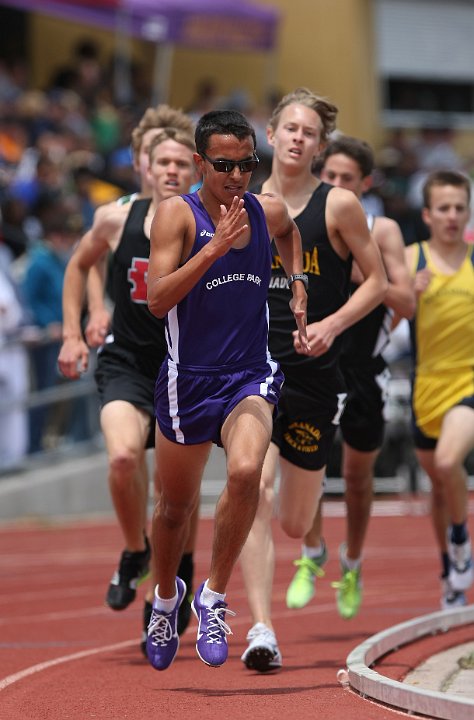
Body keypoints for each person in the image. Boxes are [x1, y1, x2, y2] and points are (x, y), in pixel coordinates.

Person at [144, 108, 309, 672]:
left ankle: (213, 595)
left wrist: (299, 283)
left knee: (246, 474)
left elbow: (290, 234)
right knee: (173, 508)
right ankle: (167, 599)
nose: (237, 176)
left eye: (246, 165)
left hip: (247, 374)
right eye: (223, 165)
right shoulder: (176, 215)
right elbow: (158, 300)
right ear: (199, 162)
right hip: (188, 381)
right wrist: (214, 248)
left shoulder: (268, 210)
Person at [238, 88, 388, 673]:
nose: (299, 138)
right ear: (271, 135)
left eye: (310, 132)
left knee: (296, 519)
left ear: (320, 145)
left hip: (316, 373)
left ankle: (315, 547)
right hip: (252, 366)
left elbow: (374, 282)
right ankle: (262, 627)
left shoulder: (338, 206)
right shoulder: (242, 205)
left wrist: (331, 324)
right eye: (290, 129)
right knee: (253, 486)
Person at [57, 105, 199, 654]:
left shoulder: (208, 219)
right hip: (128, 361)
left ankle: (168, 586)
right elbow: (79, 261)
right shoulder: (116, 217)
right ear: (143, 165)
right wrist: (75, 330)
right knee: (121, 457)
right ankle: (134, 550)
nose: (170, 171)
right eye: (160, 162)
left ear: (195, 168)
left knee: (173, 494)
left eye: (180, 163)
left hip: (186, 367)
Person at [284, 136, 415, 621]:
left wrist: (364, 279)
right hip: (318, 364)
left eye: (346, 179)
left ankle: (352, 562)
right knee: (308, 464)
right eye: (330, 177)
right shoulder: (306, 221)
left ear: (364, 183)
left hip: (362, 367)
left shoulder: (381, 230)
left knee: (359, 478)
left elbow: (406, 302)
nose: (336, 185)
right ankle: (313, 550)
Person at [405, 169, 474, 609]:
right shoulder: (412, 259)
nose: (452, 216)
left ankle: (461, 535)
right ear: (428, 214)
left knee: (450, 461)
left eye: (459, 208)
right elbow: (388, 320)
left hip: (467, 383)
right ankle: (449, 571)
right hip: (424, 388)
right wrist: (406, 295)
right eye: (443, 208)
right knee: (437, 486)